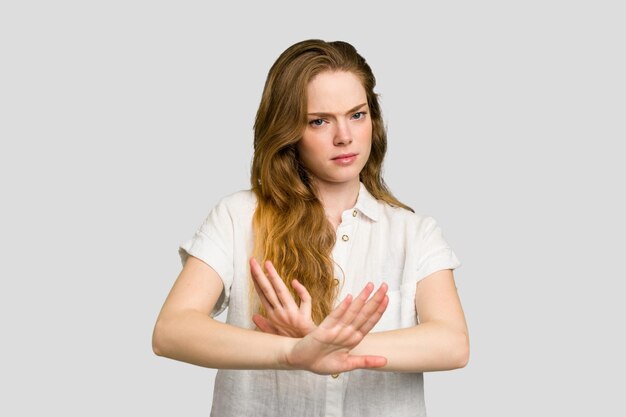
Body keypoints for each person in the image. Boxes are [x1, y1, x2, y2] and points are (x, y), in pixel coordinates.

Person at [152, 39, 469, 417]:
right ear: (287, 130)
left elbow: (453, 343)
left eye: (357, 114)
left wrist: (330, 346)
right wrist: (293, 353)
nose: (344, 137)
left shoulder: (415, 232)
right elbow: (171, 331)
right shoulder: (237, 217)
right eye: (319, 120)